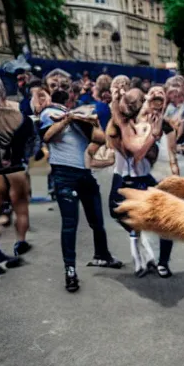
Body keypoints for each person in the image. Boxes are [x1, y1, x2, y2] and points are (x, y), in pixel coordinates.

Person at [40, 69, 122, 293]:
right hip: (64, 174)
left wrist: (85, 120)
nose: (60, 90)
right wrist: (69, 118)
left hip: (84, 173)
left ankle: (102, 255)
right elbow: (48, 136)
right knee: (70, 224)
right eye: (55, 86)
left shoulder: (78, 113)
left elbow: (101, 138)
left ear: (72, 93)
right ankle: (70, 271)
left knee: (96, 219)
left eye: (65, 86)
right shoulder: (48, 113)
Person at [107, 83, 174, 278]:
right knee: (127, 217)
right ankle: (144, 255)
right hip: (134, 179)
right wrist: (153, 134)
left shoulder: (160, 123)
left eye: (159, 95)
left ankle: (160, 262)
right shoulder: (126, 126)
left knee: (166, 221)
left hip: (154, 176)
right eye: (150, 95)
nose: (154, 98)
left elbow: (170, 153)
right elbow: (137, 152)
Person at [0, 74, 34, 274]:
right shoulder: (18, 115)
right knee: (21, 209)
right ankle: (20, 242)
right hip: (17, 170)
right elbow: (31, 141)